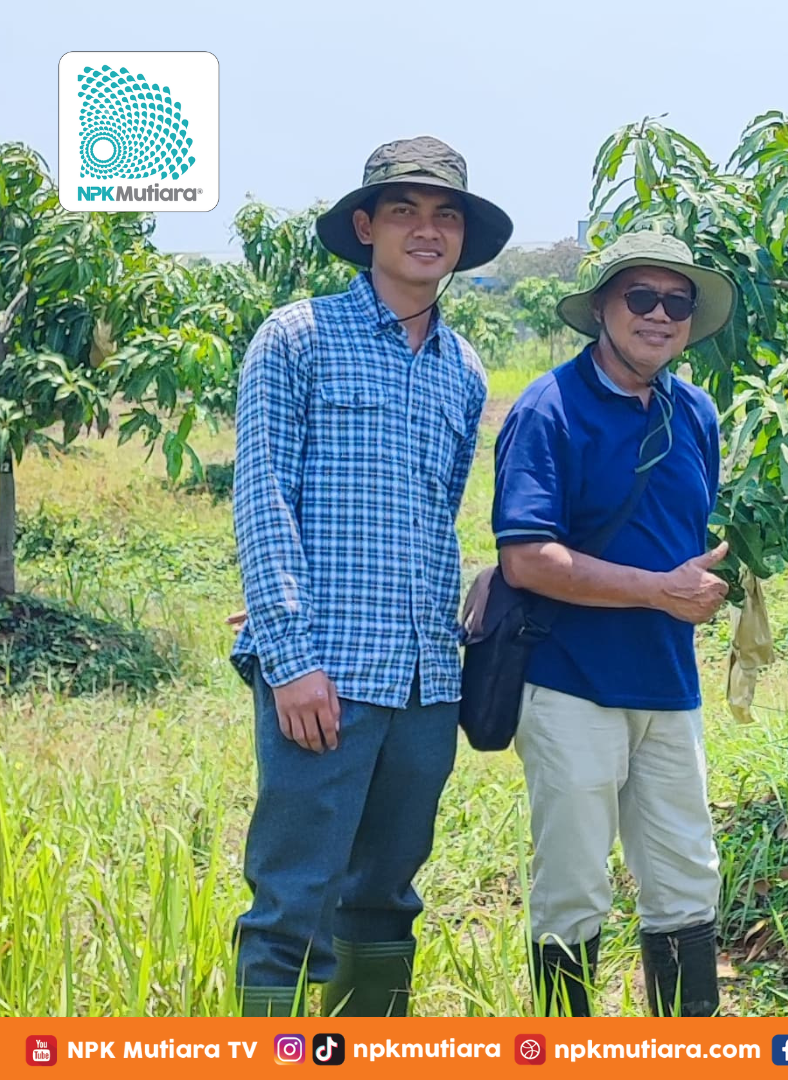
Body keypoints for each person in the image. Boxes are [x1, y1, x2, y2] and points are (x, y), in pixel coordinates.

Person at [229, 136, 511, 1017]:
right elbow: (263, 495)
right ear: (366, 226)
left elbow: (436, 518)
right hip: (327, 670)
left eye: (445, 215)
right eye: (404, 211)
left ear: (462, 238)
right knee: (292, 902)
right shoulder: (300, 336)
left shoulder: (465, 371)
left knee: (388, 893)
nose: (427, 230)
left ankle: (368, 1045)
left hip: (426, 678)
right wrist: (288, 657)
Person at [490, 230, 734, 1017]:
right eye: (641, 297)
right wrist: (658, 591)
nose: (658, 316)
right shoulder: (548, 409)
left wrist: (698, 585)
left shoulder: (695, 412)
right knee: (573, 886)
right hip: (571, 683)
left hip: (667, 683)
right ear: (601, 307)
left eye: (676, 302)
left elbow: (686, 539)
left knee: (687, 878)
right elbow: (527, 558)